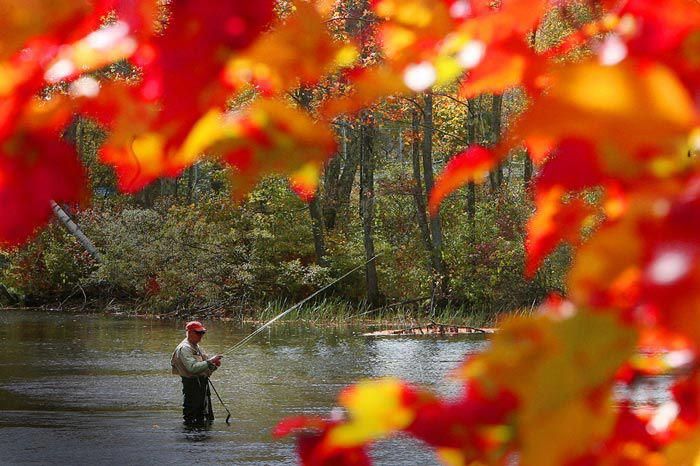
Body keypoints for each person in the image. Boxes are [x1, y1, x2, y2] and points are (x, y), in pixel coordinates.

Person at [171, 321, 223, 425]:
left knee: (202, 415)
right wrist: (211, 361)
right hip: (192, 386)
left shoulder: (197, 347)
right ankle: (190, 437)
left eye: (202, 333)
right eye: (198, 333)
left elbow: (205, 368)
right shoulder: (184, 348)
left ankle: (199, 437)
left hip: (201, 385)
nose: (201, 336)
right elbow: (192, 368)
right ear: (189, 333)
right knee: (191, 416)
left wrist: (214, 365)